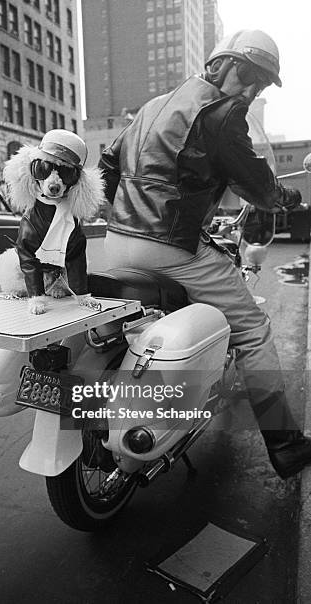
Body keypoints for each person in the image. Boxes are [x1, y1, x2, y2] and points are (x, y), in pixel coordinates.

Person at [98, 29, 311, 479]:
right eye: (252, 77)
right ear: (226, 64)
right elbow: (254, 183)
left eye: (262, 85)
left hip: (115, 242)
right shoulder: (221, 112)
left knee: (149, 321)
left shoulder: (153, 106)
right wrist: (287, 199)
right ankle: (287, 446)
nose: (253, 91)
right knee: (252, 331)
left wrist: (128, 213)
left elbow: (106, 168)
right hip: (170, 246)